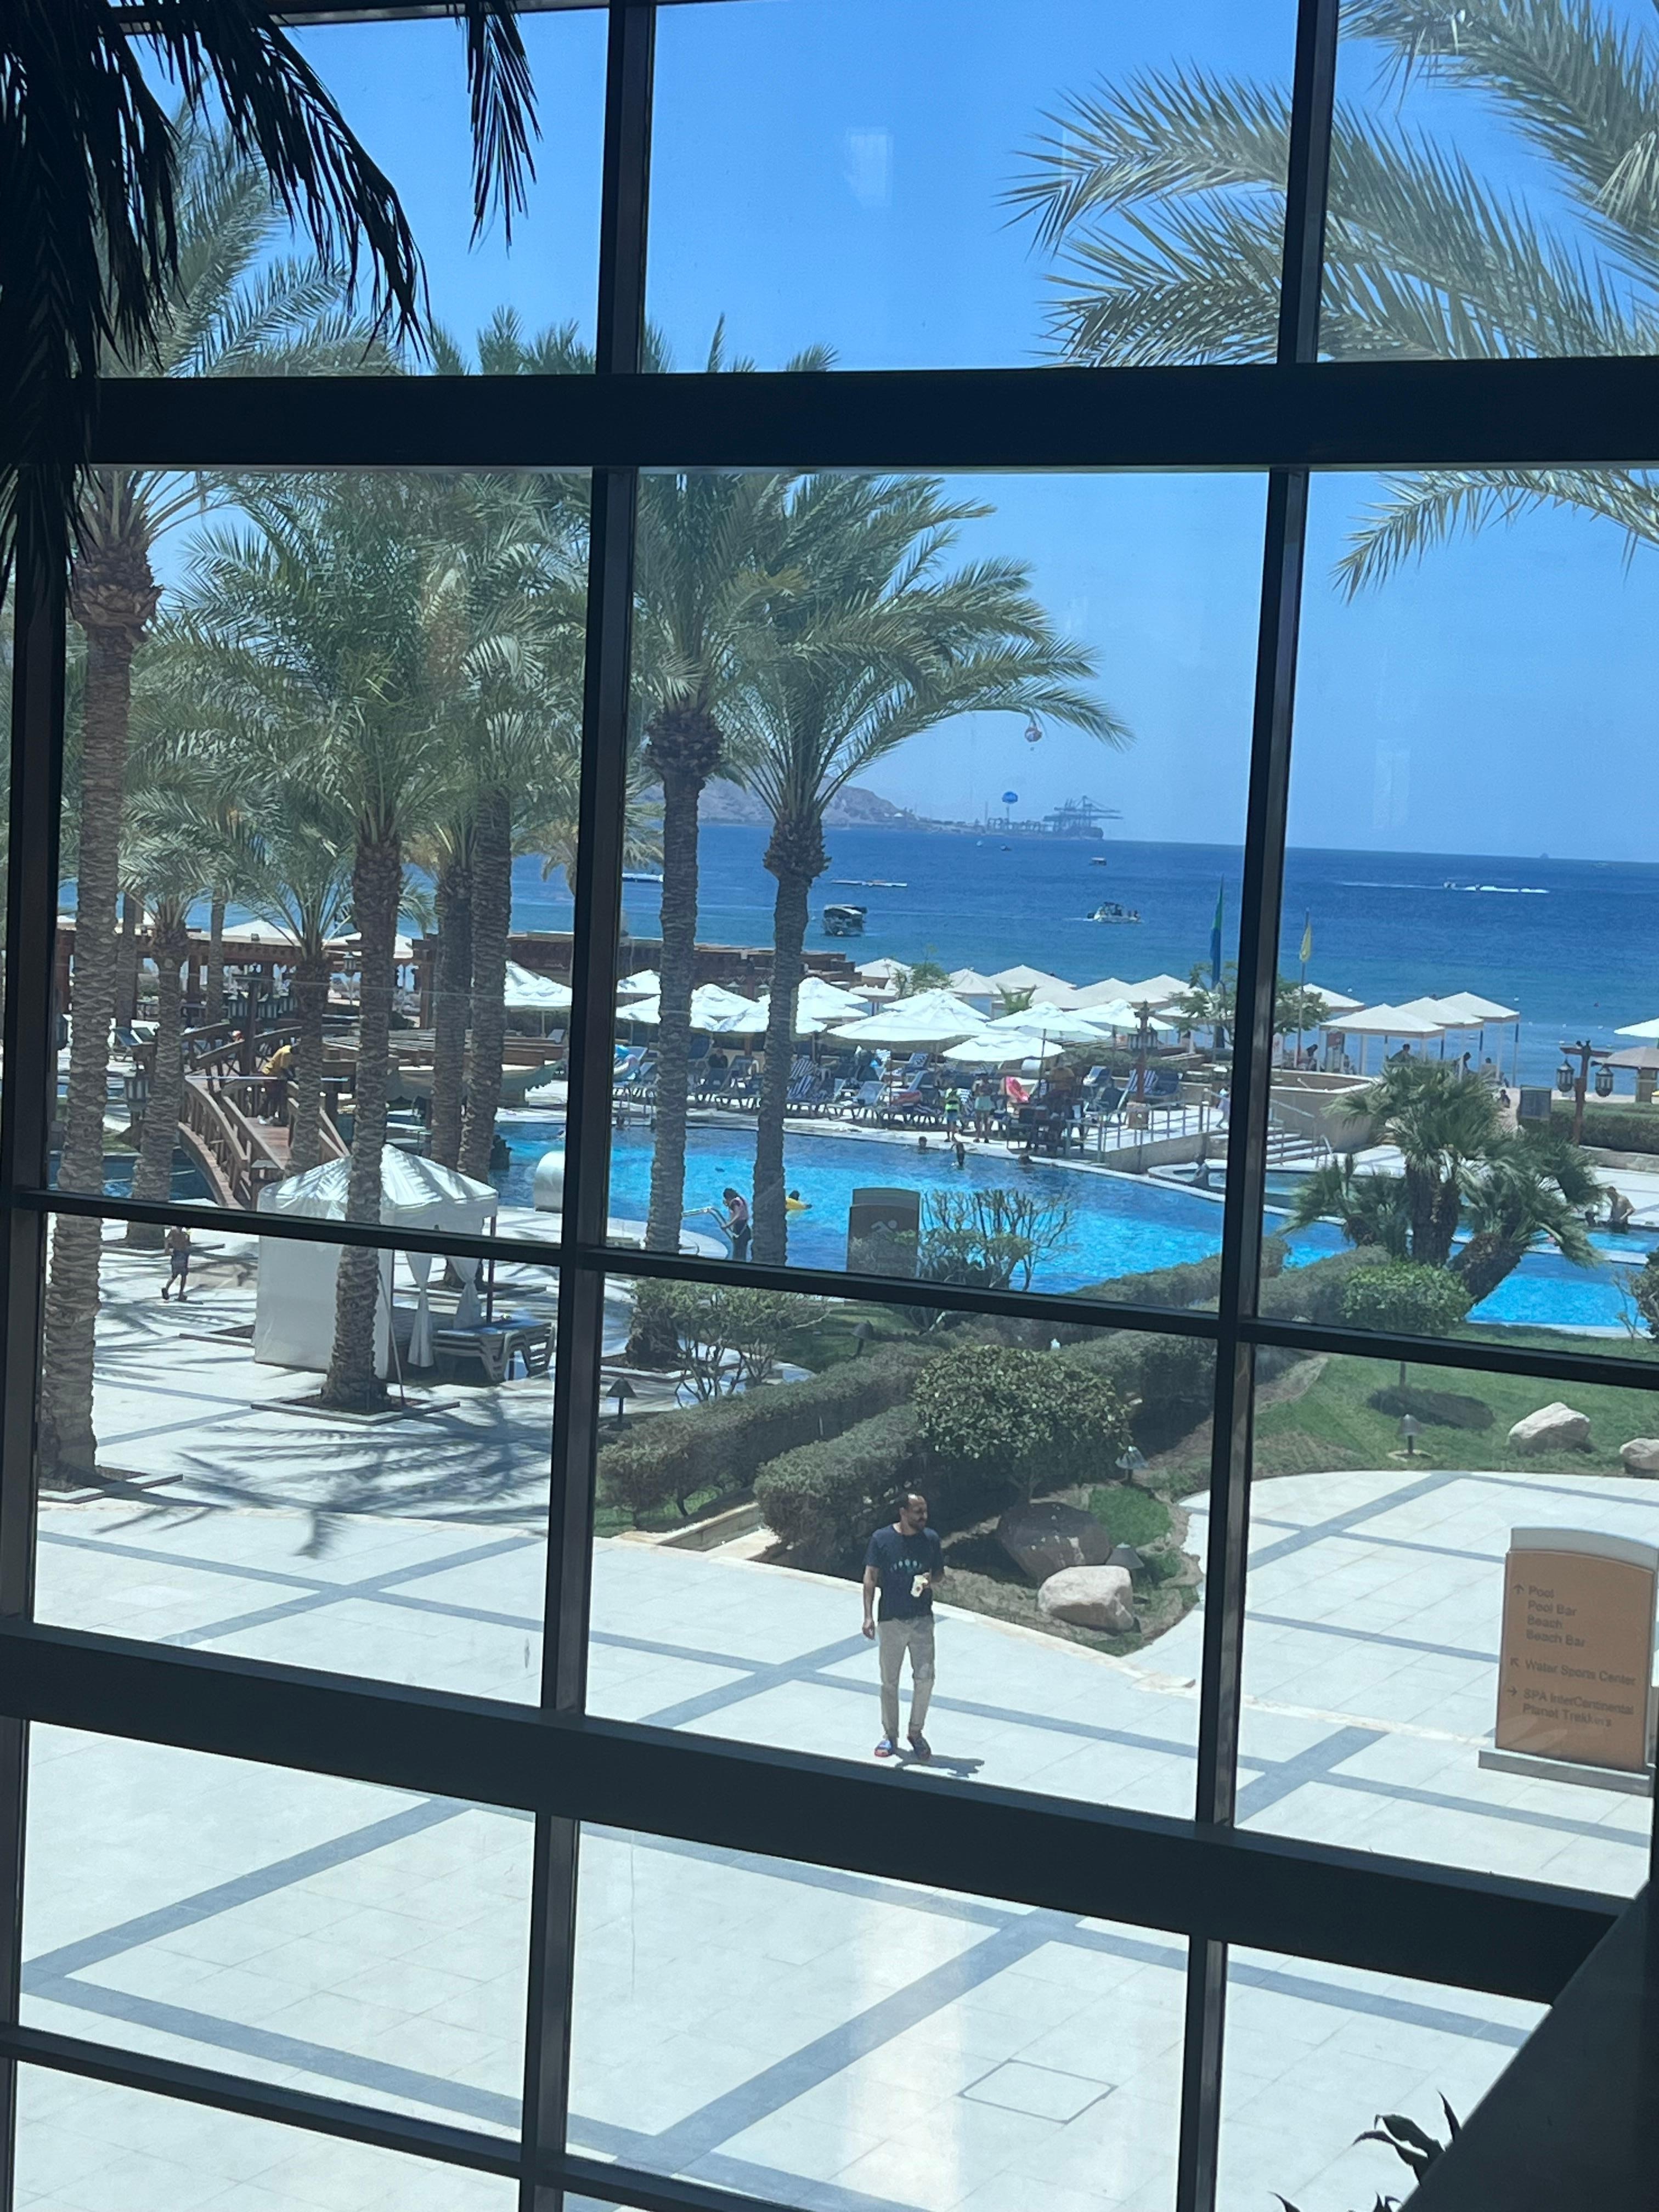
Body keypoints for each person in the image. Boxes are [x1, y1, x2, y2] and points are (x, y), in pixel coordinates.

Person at [862, 1491, 944, 1760]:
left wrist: (931, 1580)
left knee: (926, 1678)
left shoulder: (931, 1540)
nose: (923, 1517)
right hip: (891, 1619)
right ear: (903, 1512)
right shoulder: (882, 1539)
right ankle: (890, 1736)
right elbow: (870, 1577)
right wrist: (868, 1616)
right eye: (918, 1512)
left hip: (922, 1620)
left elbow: (940, 1575)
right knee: (890, 1681)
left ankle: (916, 1733)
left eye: (925, 1511)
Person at [161, 1222, 193, 1301]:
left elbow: (167, 1240)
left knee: (174, 1275)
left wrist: (167, 1249)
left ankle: (166, 1288)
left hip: (175, 1255)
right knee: (184, 1276)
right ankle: (181, 1294)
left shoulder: (173, 1232)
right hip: (183, 1255)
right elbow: (188, 1245)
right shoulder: (184, 1234)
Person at [721, 1186, 751, 1261]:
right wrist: (728, 1205)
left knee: (738, 1252)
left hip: (740, 1229)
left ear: (728, 1197)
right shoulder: (740, 1200)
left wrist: (728, 1225)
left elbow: (738, 1215)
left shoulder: (735, 1203)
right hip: (745, 1228)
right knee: (742, 1253)